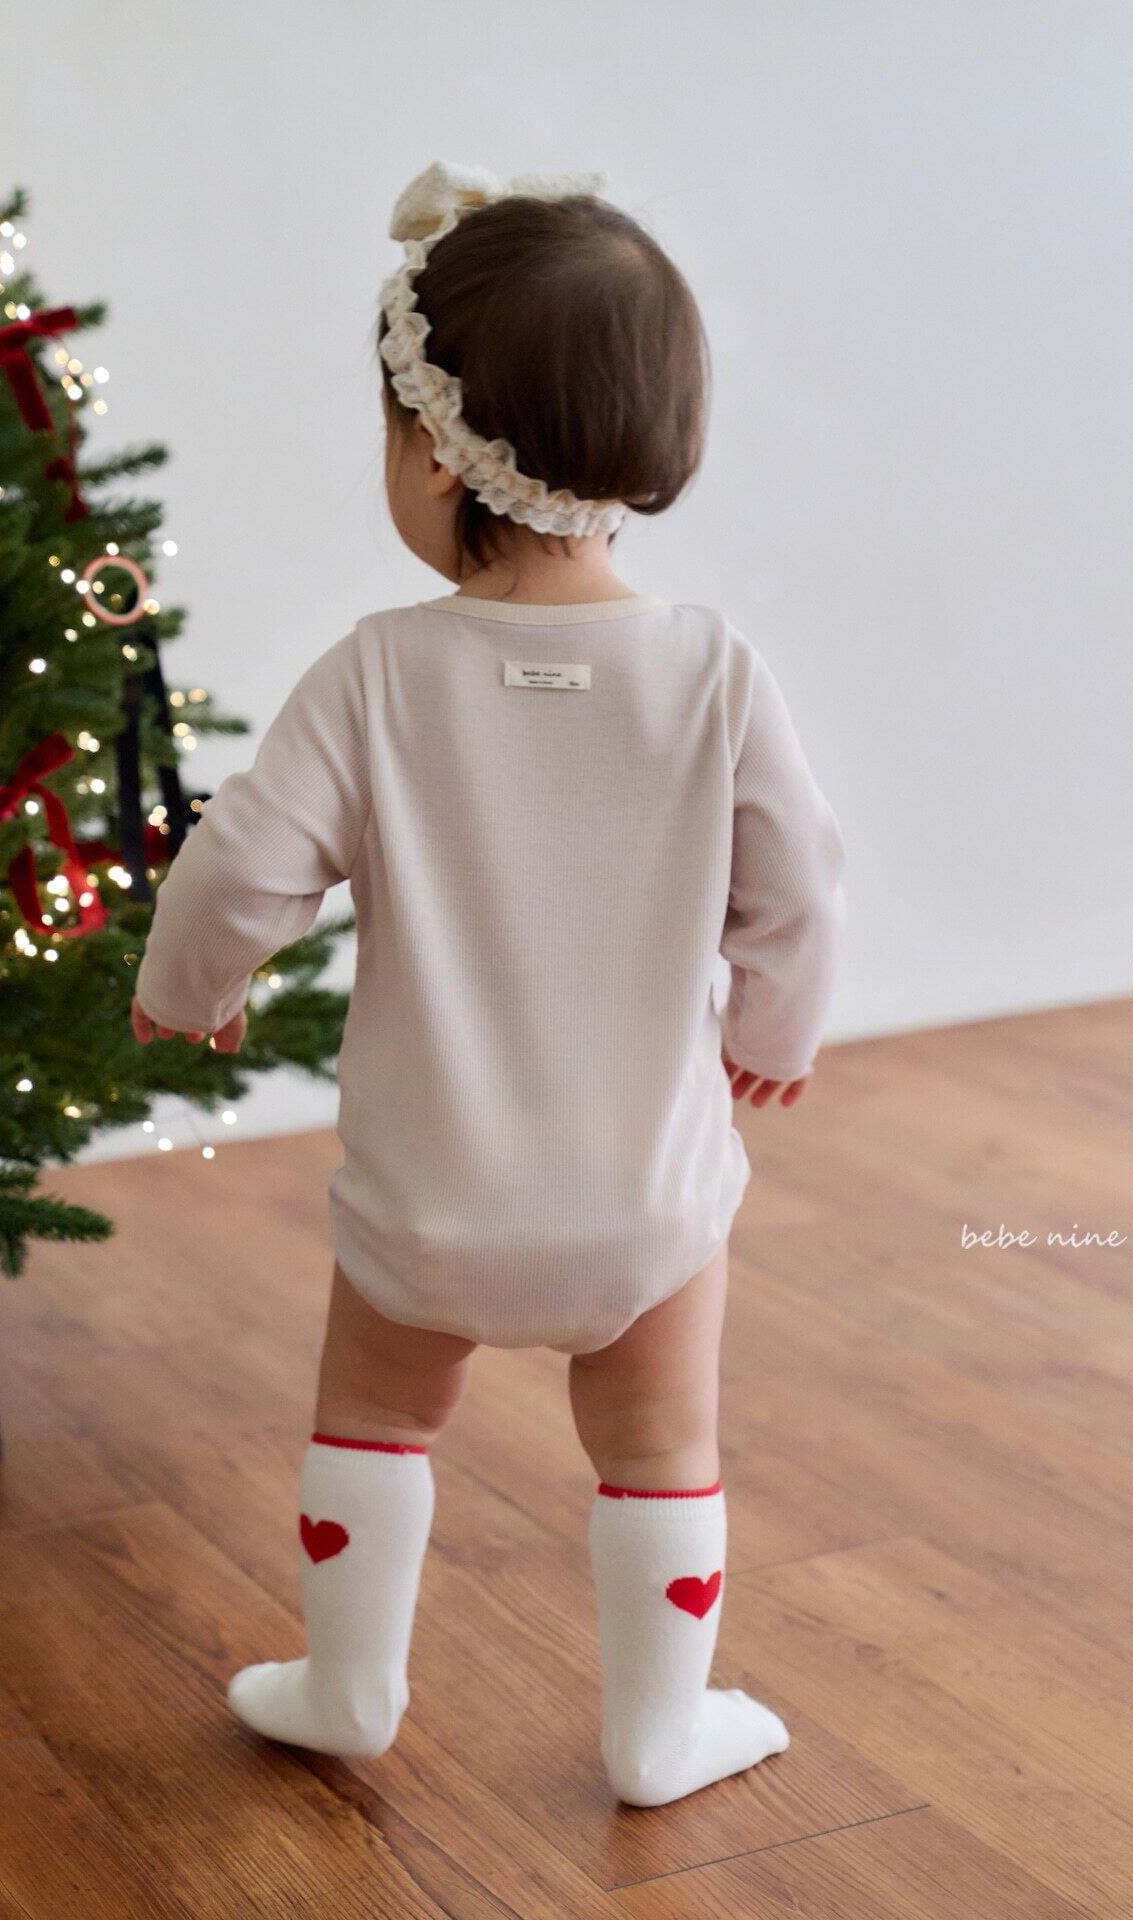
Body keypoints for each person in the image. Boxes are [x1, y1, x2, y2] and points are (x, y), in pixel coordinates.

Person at [132, 161, 845, 1808]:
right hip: (642, 1205)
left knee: (373, 1420)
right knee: (659, 1448)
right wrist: (775, 1028)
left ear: (438, 453)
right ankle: (657, 1731)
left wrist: (193, 985)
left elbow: (239, 865)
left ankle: (347, 1687)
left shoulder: (377, 675)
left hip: (426, 1203)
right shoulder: (713, 673)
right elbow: (801, 882)